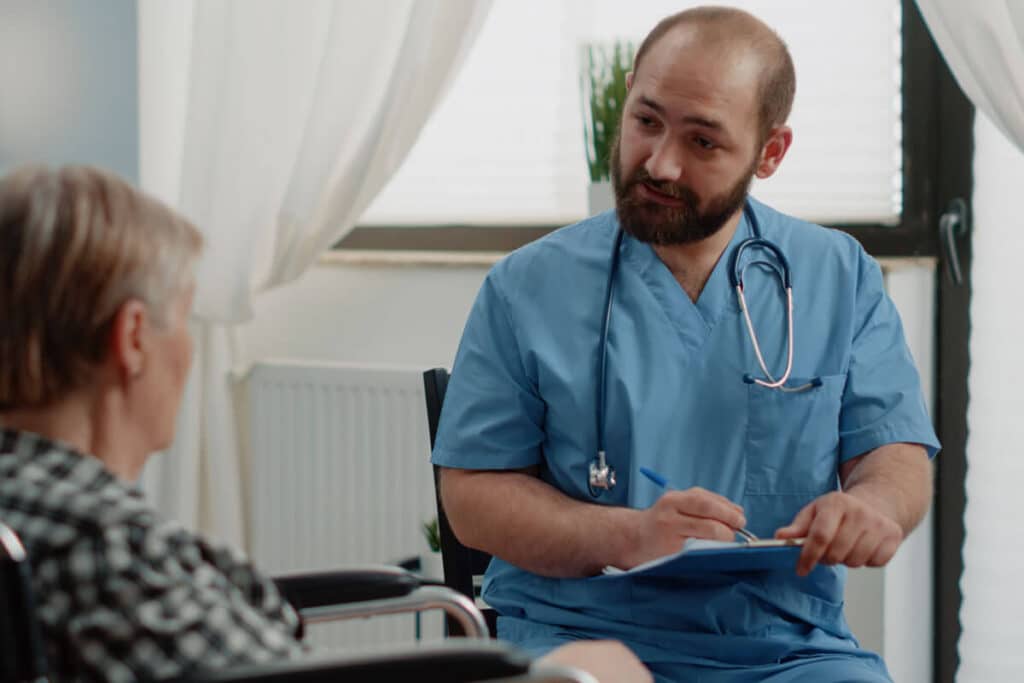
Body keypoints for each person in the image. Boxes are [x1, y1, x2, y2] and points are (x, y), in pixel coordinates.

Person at [432, 6, 938, 683]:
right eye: (647, 121)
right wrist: (627, 535)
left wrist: (873, 507)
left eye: (703, 143)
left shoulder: (837, 276)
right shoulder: (527, 287)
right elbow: (472, 496)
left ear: (770, 151)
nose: (660, 163)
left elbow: (896, 454)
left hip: (784, 648)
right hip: (579, 635)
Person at [0, 165, 651, 683]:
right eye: (185, 315)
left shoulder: (28, 501)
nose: (190, 350)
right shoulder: (100, 543)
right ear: (134, 337)